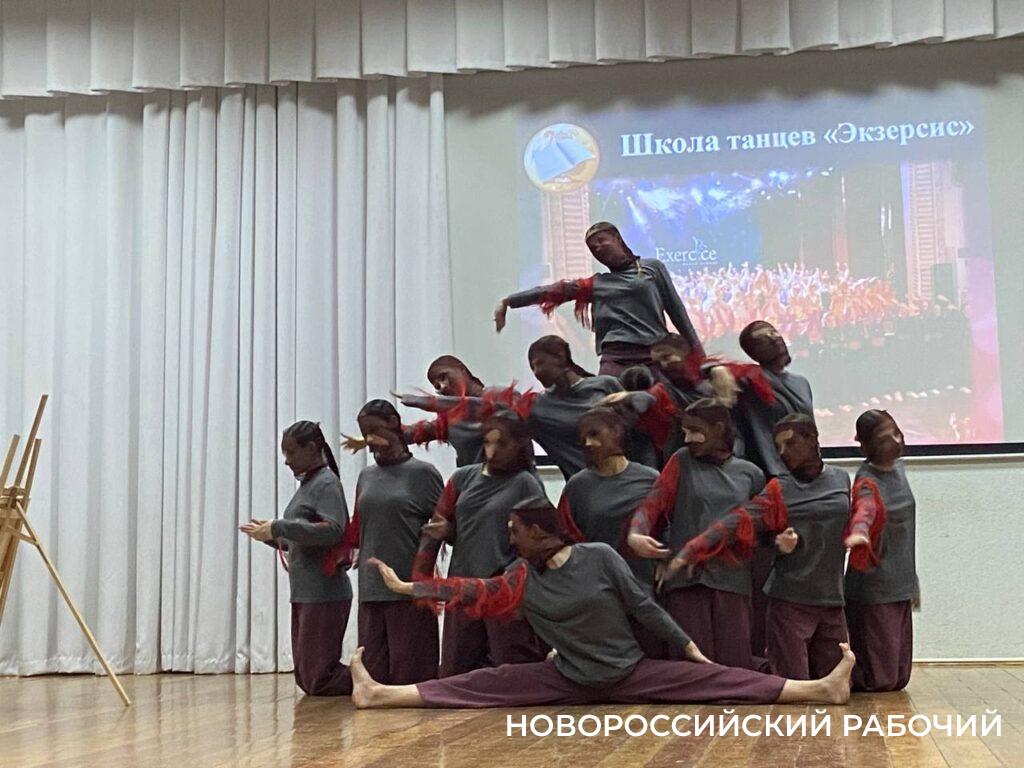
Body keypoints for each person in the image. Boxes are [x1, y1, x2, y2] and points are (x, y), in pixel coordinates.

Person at [351, 498, 856, 709]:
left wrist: (687, 647)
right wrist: (409, 588)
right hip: (566, 677)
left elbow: (644, 608)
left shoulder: (598, 557)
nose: (510, 537)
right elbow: (471, 591)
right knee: (485, 682)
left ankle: (819, 689)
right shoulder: (519, 576)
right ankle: (380, 695)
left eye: (515, 530)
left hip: (628, 673)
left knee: (721, 679)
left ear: (541, 533)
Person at [667, 414, 857, 681]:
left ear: (812, 438)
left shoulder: (840, 479)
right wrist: (693, 549)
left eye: (790, 443)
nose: (782, 453)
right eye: (778, 447)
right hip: (791, 600)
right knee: (792, 686)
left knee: (839, 684)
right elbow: (739, 521)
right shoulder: (779, 488)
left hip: (832, 600)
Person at [626, 400, 766, 669]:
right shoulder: (681, 460)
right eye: (685, 431)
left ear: (718, 429)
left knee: (735, 665)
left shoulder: (751, 474)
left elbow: (758, 530)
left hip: (732, 581)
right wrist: (636, 533)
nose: (688, 438)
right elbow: (654, 502)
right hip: (685, 582)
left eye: (695, 431)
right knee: (690, 666)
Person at [412, 414, 549, 676]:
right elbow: (444, 525)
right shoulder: (462, 478)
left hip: (502, 588)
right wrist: (424, 578)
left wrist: (517, 575)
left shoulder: (526, 483)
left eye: (501, 444)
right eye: (488, 442)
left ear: (518, 445)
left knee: (509, 668)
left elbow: (541, 536)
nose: (492, 451)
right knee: (456, 668)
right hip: (462, 584)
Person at [708, 320, 813, 657]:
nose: (775, 339)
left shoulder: (801, 383)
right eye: (763, 338)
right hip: (772, 483)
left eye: (774, 333)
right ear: (752, 352)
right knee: (765, 573)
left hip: (805, 484)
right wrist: (719, 370)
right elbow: (700, 369)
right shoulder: (751, 380)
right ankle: (760, 652)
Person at [494, 221, 704, 376]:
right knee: (606, 406)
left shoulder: (652, 268)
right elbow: (552, 291)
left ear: (617, 239)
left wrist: (701, 359)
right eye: (593, 248)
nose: (598, 248)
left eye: (602, 241)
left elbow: (678, 312)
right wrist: (509, 301)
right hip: (616, 359)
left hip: (655, 355)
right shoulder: (595, 284)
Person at [239, 421, 352, 696]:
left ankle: (372, 679)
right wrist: (269, 535)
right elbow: (302, 539)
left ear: (311, 448)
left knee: (317, 677)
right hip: (306, 591)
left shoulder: (326, 483)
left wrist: (280, 527)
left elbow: (334, 531)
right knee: (307, 675)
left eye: (290, 452)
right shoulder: (310, 484)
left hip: (324, 592)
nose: (286, 461)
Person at [337, 400, 444, 684]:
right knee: (374, 677)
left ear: (395, 423)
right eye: (365, 433)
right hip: (371, 589)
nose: (370, 439)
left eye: (375, 429)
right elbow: (359, 526)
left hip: (408, 588)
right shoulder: (366, 476)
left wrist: (423, 575)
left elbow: (445, 527)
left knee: (411, 677)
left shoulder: (423, 474)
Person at [556, 408, 662, 655]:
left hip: (645, 587)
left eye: (594, 434)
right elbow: (565, 538)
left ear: (616, 433)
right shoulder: (578, 486)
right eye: (583, 438)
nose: (588, 443)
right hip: (598, 593)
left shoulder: (650, 478)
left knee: (652, 658)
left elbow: (667, 525)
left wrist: (665, 562)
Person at [844, 410, 919, 692]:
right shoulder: (866, 480)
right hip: (875, 586)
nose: (896, 441)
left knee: (899, 678)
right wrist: (859, 531)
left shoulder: (899, 469)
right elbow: (865, 508)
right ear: (865, 445)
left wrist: (912, 581)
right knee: (881, 680)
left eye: (897, 432)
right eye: (885, 438)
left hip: (901, 580)